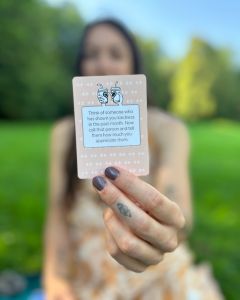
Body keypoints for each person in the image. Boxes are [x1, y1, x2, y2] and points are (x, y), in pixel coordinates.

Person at [43, 18, 224, 300]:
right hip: (85, 274)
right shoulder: (64, 133)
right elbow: (56, 214)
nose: (102, 64)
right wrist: (54, 278)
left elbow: (182, 214)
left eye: (115, 54)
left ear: (134, 66)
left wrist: (168, 226)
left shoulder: (167, 129)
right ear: (80, 66)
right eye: (92, 54)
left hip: (155, 272)